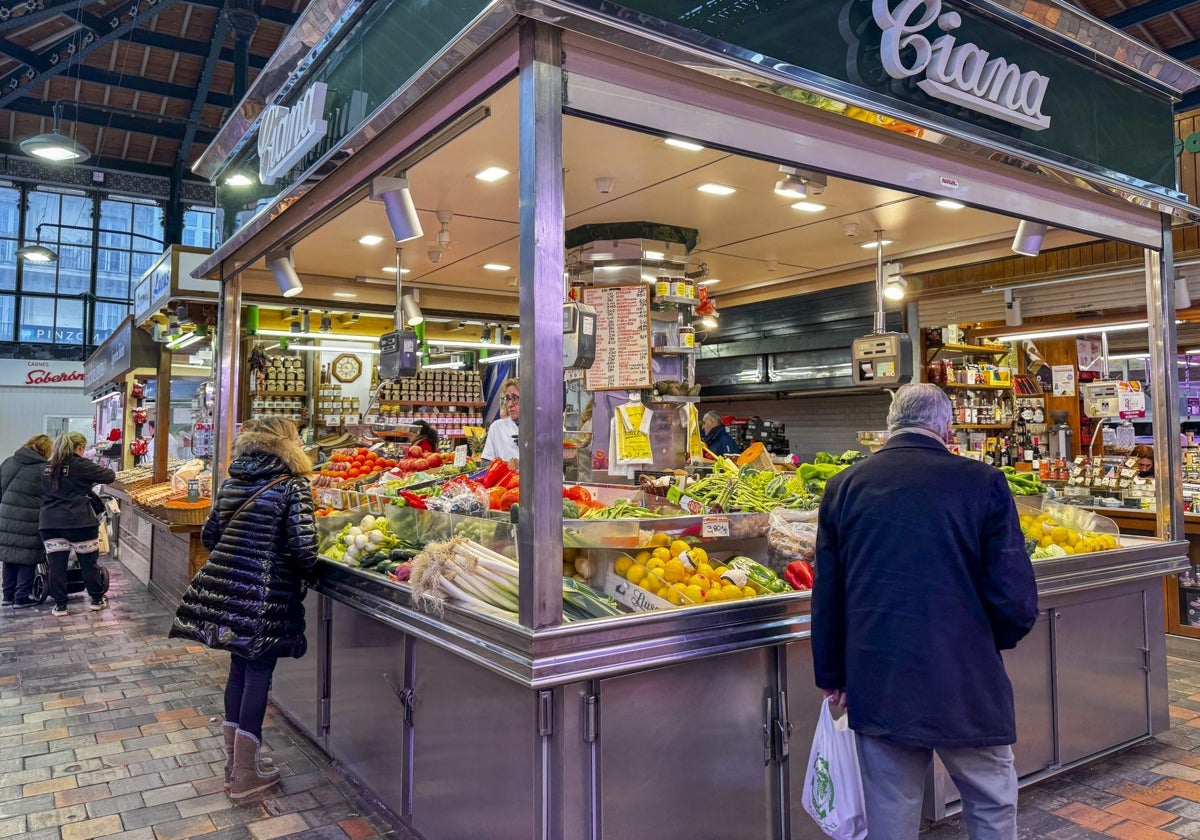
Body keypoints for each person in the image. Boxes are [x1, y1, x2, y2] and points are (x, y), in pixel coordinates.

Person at [812, 383, 1038, 840]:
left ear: (890, 424)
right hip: (966, 673)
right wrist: (989, 640)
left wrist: (833, 674)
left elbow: (829, 595)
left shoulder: (843, 487)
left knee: (890, 811)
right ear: (946, 426)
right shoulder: (983, 482)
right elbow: (1013, 594)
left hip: (880, 674)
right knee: (990, 799)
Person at [169, 416, 318, 801]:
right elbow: (303, 549)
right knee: (258, 673)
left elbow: (210, 535)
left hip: (229, 590)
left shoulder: (233, 480)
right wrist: (302, 572)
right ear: (288, 444)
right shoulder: (293, 485)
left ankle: (234, 766)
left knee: (238, 668)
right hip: (265, 595)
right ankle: (245, 775)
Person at [40, 431, 116, 617]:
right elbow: (109, 476)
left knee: (56, 565)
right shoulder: (80, 464)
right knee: (87, 562)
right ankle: (96, 600)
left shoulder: (47, 467)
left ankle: (60, 605)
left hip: (50, 523)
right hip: (79, 521)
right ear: (80, 447)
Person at [0, 434, 53, 608]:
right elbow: (50, 495)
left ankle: (7, 595)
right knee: (28, 556)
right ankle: (21, 597)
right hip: (30, 519)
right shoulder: (44, 469)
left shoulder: (9, 462)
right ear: (45, 450)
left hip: (6, 516)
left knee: (9, 556)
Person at [482, 377, 520, 468]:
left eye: (514, 398)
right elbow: (485, 463)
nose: (509, 404)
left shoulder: (541, 428)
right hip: (506, 481)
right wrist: (511, 465)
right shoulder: (497, 427)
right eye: (507, 399)